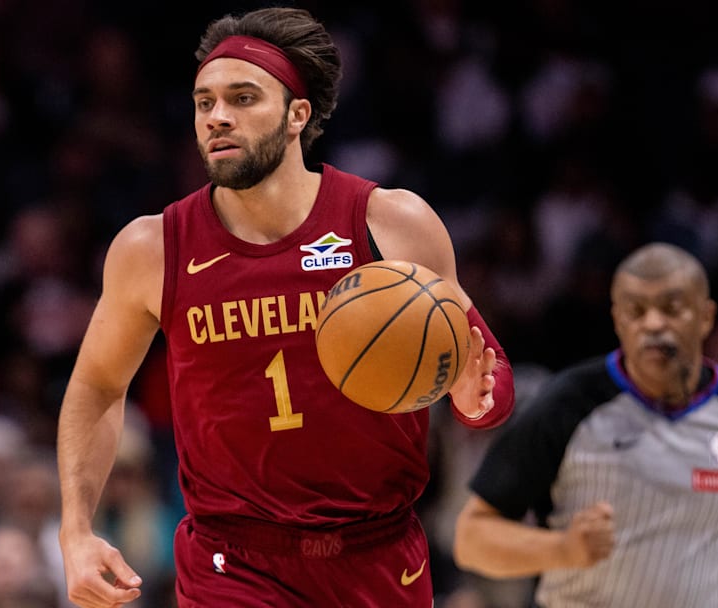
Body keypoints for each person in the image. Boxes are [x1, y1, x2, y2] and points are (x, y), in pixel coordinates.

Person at [56, 7, 515, 607]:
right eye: (204, 102)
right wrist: (76, 531)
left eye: (243, 98)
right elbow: (96, 385)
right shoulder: (152, 248)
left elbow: (487, 375)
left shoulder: (390, 223)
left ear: (298, 114)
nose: (218, 117)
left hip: (378, 553)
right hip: (231, 562)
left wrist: (472, 398)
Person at [453, 242, 718, 608]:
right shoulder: (567, 405)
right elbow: (471, 540)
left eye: (672, 309)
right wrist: (563, 549)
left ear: (706, 317)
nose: (654, 324)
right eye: (637, 311)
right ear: (617, 320)